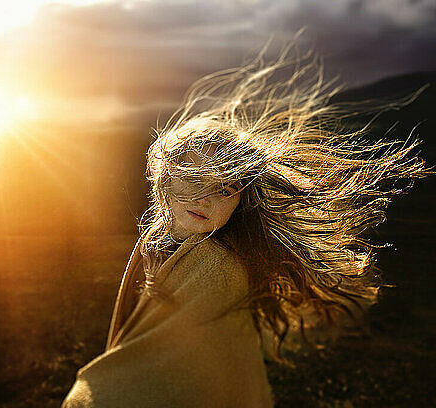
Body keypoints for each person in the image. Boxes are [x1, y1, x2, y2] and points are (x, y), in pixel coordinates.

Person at [61, 47, 431, 407]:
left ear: (242, 200)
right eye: (194, 178)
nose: (206, 199)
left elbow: (170, 369)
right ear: (164, 179)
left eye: (225, 188)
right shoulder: (153, 241)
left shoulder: (222, 264)